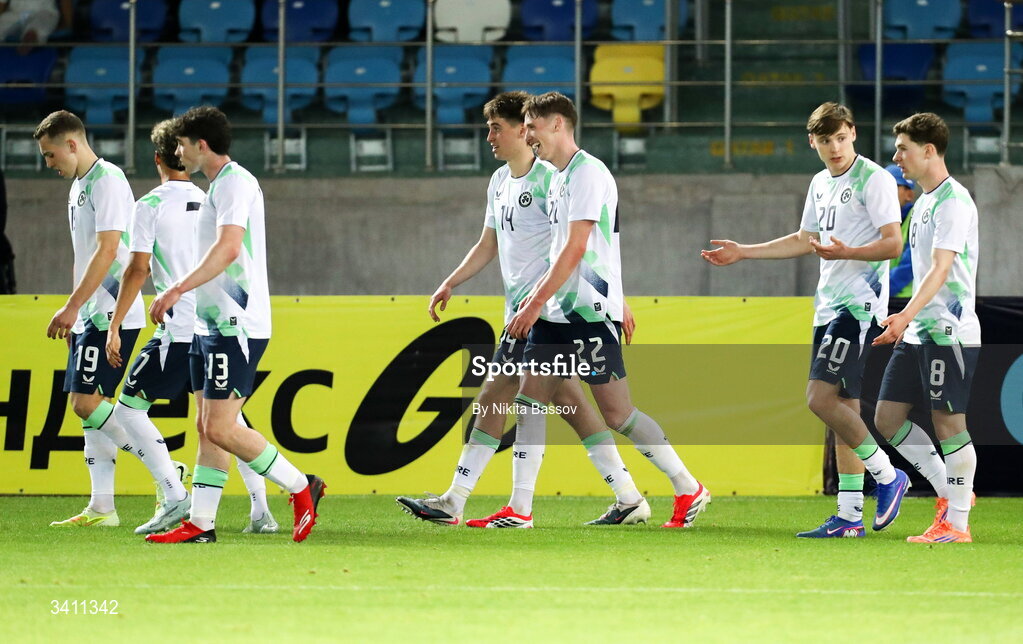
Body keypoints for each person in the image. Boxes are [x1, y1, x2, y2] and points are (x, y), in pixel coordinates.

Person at [396, 92, 653, 528]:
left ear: (523, 129)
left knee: (496, 396)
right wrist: (451, 281)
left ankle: (461, 500)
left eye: (498, 127)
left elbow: (585, 247)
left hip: (548, 311)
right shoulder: (499, 181)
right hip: (526, 312)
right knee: (572, 404)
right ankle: (628, 496)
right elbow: (487, 245)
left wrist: (615, 298)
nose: (490, 136)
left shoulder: (551, 179)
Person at [702, 102, 909, 538]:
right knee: (842, 410)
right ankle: (851, 516)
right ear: (811, 141)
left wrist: (847, 252)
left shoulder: (875, 179)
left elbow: (892, 244)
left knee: (818, 399)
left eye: (840, 137)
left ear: (852, 133)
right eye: (825, 140)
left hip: (857, 307)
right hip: (828, 306)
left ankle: (888, 475)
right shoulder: (819, 182)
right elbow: (805, 239)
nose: (834, 147)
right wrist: (744, 252)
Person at [506, 92, 709, 530]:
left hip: (589, 314)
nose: (528, 135)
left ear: (557, 124)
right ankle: (519, 509)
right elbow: (587, 248)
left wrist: (537, 302)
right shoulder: (558, 178)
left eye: (532, 126)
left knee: (618, 414)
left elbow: (580, 247)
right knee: (529, 402)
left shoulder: (588, 174)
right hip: (558, 313)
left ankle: (688, 486)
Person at [144, 107, 323, 544]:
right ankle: (201, 524)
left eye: (183, 144)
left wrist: (175, 289)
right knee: (206, 427)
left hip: (236, 327)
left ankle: (302, 486)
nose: (178, 151)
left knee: (222, 427)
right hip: (211, 326)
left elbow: (228, 249)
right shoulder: (218, 187)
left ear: (200, 145)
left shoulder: (237, 183)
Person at [105, 119, 278, 535]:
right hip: (210, 324)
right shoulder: (208, 196)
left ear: (158, 157)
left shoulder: (149, 204)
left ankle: (172, 489)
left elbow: (137, 268)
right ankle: (259, 509)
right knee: (226, 421)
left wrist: (115, 324)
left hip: (182, 326)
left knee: (129, 408)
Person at [35, 110, 154, 528]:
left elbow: (108, 251)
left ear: (72, 144)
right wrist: (77, 313)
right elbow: (83, 256)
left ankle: (165, 472)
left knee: (84, 403)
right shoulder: (79, 187)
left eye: (50, 155)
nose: (48, 164)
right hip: (90, 313)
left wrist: (71, 307)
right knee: (91, 411)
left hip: (111, 312)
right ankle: (102, 508)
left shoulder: (108, 181)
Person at [872, 112, 980, 544]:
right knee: (887, 417)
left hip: (946, 331)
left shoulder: (954, 201)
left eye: (902, 148)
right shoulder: (922, 203)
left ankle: (956, 523)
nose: (897, 156)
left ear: (928, 150)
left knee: (949, 423)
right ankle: (949, 493)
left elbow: (940, 271)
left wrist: (904, 316)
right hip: (919, 331)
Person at [886, 163, 916, 298]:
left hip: (908, 303)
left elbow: (910, 265)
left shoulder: (917, 218)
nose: (885, 192)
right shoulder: (875, 220)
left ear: (909, 194)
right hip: (880, 301)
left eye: (892, 187)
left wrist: (878, 290)